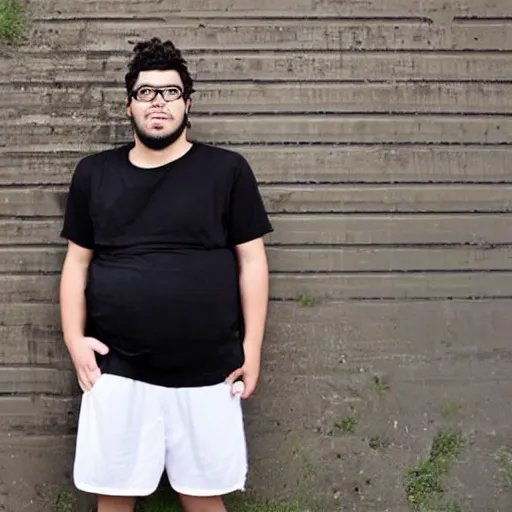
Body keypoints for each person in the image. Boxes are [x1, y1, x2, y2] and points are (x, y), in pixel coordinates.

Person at [59, 37, 273, 512]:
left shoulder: (227, 171)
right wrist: (75, 340)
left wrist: (252, 348)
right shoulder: (94, 174)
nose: (159, 103)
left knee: (202, 496)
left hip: (208, 370)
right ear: (129, 106)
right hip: (116, 369)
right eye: (147, 93)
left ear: (188, 103)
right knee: (113, 496)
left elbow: (252, 261)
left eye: (171, 92)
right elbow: (77, 263)